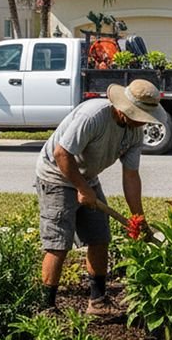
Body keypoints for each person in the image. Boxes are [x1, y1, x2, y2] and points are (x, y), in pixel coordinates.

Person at [35, 79, 163, 315]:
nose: (142, 121)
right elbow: (61, 154)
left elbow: (131, 176)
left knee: (99, 237)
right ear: (123, 109)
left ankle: (97, 302)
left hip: (88, 178)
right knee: (58, 243)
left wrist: (138, 218)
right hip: (55, 175)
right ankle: (47, 307)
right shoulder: (93, 116)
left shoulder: (135, 131)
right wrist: (82, 189)